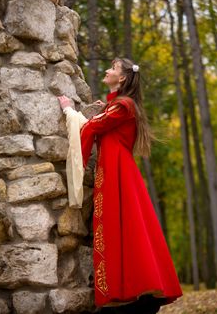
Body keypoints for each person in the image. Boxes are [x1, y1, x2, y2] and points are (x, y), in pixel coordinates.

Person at [58, 58, 183, 314]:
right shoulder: (119, 105)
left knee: (122, 229)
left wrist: (70, 110)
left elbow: (92, 126)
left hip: (118, 174)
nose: (107, 70)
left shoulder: (124, 105)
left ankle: (128, 291)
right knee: (123, 229)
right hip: (114, 171)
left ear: (123, 78)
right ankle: (126, 289)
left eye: (112, 68)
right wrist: (106, 108)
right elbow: (106, 120)